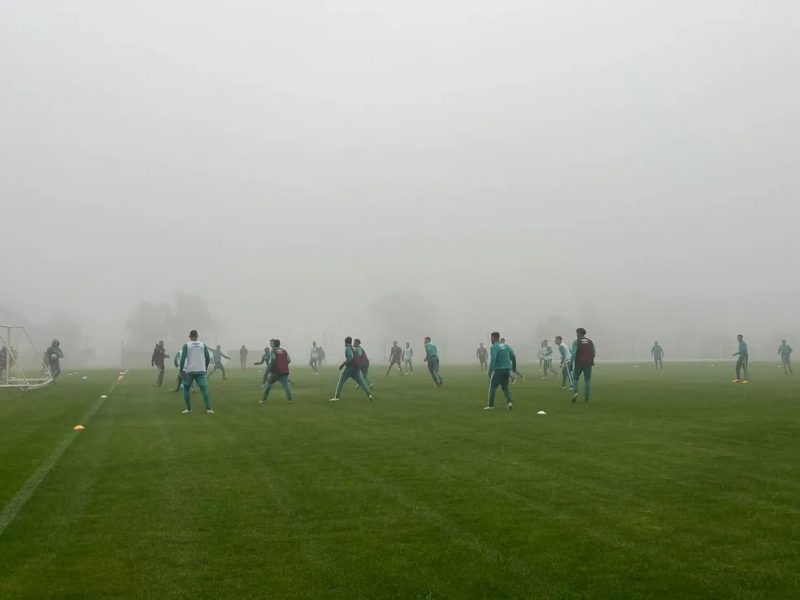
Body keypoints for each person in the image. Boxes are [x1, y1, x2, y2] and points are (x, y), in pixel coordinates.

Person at [178, 330, 213, 414]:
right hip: (201, 370)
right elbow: (208, 358)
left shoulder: (187, 345)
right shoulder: (202, 344)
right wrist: (205, 367)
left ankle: (188, 409)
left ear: (190, 336)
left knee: (186, 389)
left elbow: (183, 358)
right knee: (204, 389)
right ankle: (209, 409)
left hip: (190, 370)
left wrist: (181, 370)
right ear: (197, 336)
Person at [330, 336, 373, 401]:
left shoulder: (348, 348)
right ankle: (369, 395)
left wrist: (343, 364)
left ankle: (336, 397)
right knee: (361, 383)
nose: (344, 344)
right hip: (356, 368)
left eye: (344, 343)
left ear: (346, 342)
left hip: (349, 368)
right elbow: (358, 357)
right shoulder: (354, 348)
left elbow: (350, 357)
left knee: (341, 382)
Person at [484, 332, 515, 410]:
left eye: (491, 338)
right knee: (505, 387)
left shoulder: (494, 347)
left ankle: (491, 406)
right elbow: (512, 355)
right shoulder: (506, 346)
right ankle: (509, 403)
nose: (491, 339)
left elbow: (493, 359)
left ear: (494, 338)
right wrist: (512, 365)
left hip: (499, 370)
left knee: (492, 387)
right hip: (507, 369)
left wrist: (490, 371)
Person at [261, 339, 293, 404]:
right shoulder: (284, 351)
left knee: (268, 385)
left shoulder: (273, 351)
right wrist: (283, 364)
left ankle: (264, 400)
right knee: (286, 386)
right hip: (285, 371)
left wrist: (268, 370)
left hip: (276, 372)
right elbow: (289, 360)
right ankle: (290, 400)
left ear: (274, 344)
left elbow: (272, 361)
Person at [571, 328, 596, 403]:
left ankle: (575, 392)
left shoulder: (576, 342)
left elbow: (573, 353)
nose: (576, 335)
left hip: (579, 363)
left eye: (576, 333)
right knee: (587, 380)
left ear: (578, 333)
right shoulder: (590, 341)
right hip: (588, 363)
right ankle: (587, 398)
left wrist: (571, 362)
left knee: (575, 378)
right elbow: (594, 353)